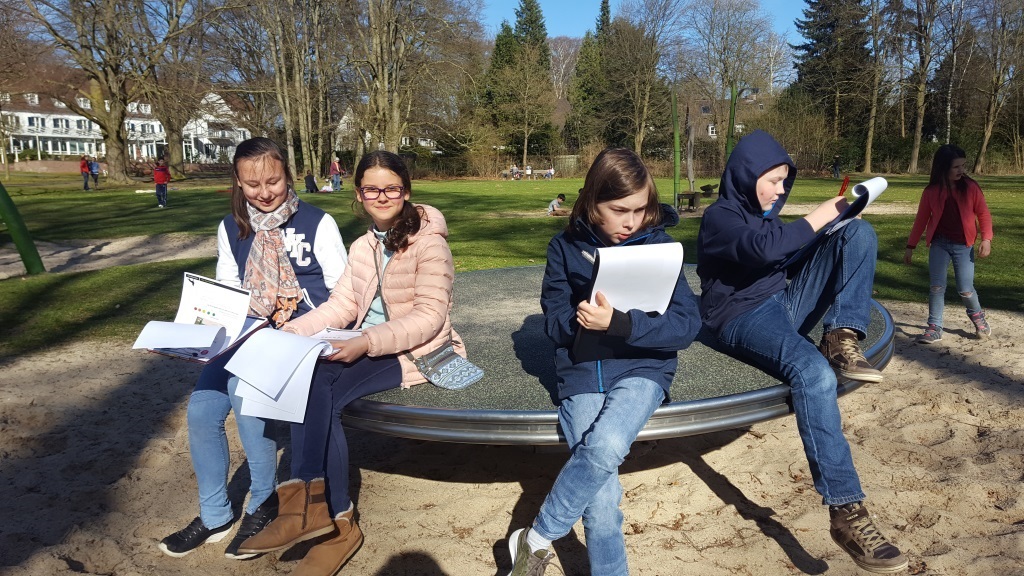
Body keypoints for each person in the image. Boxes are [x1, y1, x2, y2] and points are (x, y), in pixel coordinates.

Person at [236, 150, 465, 575]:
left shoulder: (429, 244)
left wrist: (366, 341)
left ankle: (329, 518)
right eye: (372, 189)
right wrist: (287, 334)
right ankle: (318, 509)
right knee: (309, 378)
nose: (382, 196)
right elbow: (341, 304)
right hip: (365, 340)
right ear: (358, 194)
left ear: (406, 191)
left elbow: (429, 317)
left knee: (322, 389)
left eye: (391, 188)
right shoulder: (362, 246)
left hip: (419, 350)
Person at [696, 130, 907, 574]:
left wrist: (836, 224)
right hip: (739, 317)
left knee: (858, 233)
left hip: (782, 301)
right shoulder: (719, 217)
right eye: (771, 181)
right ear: (744, 176)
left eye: (783, 182)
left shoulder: (765, 212)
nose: (779, 190)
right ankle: (847, 514)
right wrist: (823, 212)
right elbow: (761, 250)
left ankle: (841, 336)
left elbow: (781, 260)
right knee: (813, 376)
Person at [504, 148, 702, 576]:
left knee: (608, 445)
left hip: (644, 369)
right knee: (603, 502)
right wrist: (581, 323)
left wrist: (622, 325)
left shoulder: (663, 247)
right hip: (583, 373)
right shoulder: (564, 247)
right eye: (619, 210)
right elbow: (552, 319)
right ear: (593, 204)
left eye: (642, 209)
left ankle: (535, 539)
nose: (632, 221)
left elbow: (686, 326)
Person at [158, 137, 348, 560]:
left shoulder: (318, 223)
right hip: (242, 336)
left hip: (296, 338)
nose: (263, 193)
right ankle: (214, 515)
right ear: (238, 183)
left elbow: (343, 294)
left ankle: (262, 503)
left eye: (273, 181)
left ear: (288, 176)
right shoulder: (232, 227)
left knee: (247, 406)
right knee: (202, 410)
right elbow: (227, 291)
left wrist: (300, 328)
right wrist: (192, 334)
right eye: (251, 184)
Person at [904, 144, 994, 343]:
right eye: (956, 167)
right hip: (940, 244)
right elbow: (921, 220)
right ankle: (934, 327)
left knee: (965, 289)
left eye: (963, 165)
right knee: (936, 287)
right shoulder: (931, 191)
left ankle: (978, 318)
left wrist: (986, 239)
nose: (961, 170)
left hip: (964, 246)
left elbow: (983, 214)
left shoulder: (971, 187)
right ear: (942, 168)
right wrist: (910, 246)